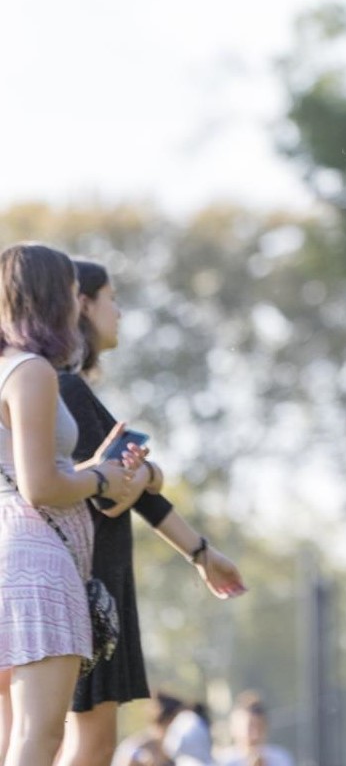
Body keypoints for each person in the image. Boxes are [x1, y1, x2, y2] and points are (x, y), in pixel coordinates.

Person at [59, 259, 247, 766]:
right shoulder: (64, 388)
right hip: (88, 580)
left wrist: (199, 550)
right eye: (111, 298)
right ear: (82, 303)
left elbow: (128, 483)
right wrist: (147, 478)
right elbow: (113, 493)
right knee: (88, 744)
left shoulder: (61, 387)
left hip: (87, 576)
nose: (119, 311)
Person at [0, 243, 146, 766]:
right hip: (37, 562)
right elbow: (40, 487)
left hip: (10, 553)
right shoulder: (31, 371)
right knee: (39, 737)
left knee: (16, 735)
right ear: (52, 297)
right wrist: (102, 478)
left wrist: (89, 471)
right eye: (70, 291)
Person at [215, 692, 293, 766]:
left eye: (260, 727)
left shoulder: (280, 758)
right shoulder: (223, 762)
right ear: (234, 728)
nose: (255, 735)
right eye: (249, 727)